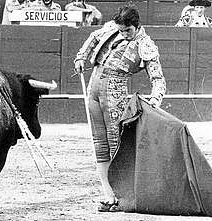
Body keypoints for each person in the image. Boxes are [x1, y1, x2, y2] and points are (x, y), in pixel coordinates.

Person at [74, 5, 166, 212]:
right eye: (121, 30)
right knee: (99, 143)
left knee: (115, 144)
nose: (123, 34)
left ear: (137, 26)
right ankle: (108, 195)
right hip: (93, 91)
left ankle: (121, 195)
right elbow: (93, 38)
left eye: (127, 31)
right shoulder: (112, 29)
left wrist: (155, 100)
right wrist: (81, 57)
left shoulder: (145, 44)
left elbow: (158, 79)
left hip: (114, 95)